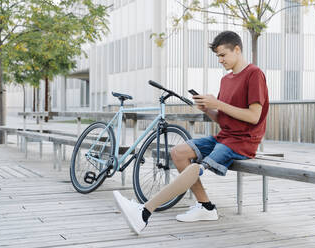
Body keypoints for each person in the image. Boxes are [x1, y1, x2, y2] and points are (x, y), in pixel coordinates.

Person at [113, 30, 269, 235]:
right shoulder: (226, 80)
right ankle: (206, 207)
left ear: (237, 49)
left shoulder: (254, 74)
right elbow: (224, 119)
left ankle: (144, 213)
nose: (220, 60)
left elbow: (253, 117)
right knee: (178, 152)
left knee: (197, 167)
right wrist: (209, 109)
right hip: (225, 137)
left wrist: (218, 103)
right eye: (218, 56)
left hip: (243, 142)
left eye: (223, 55)